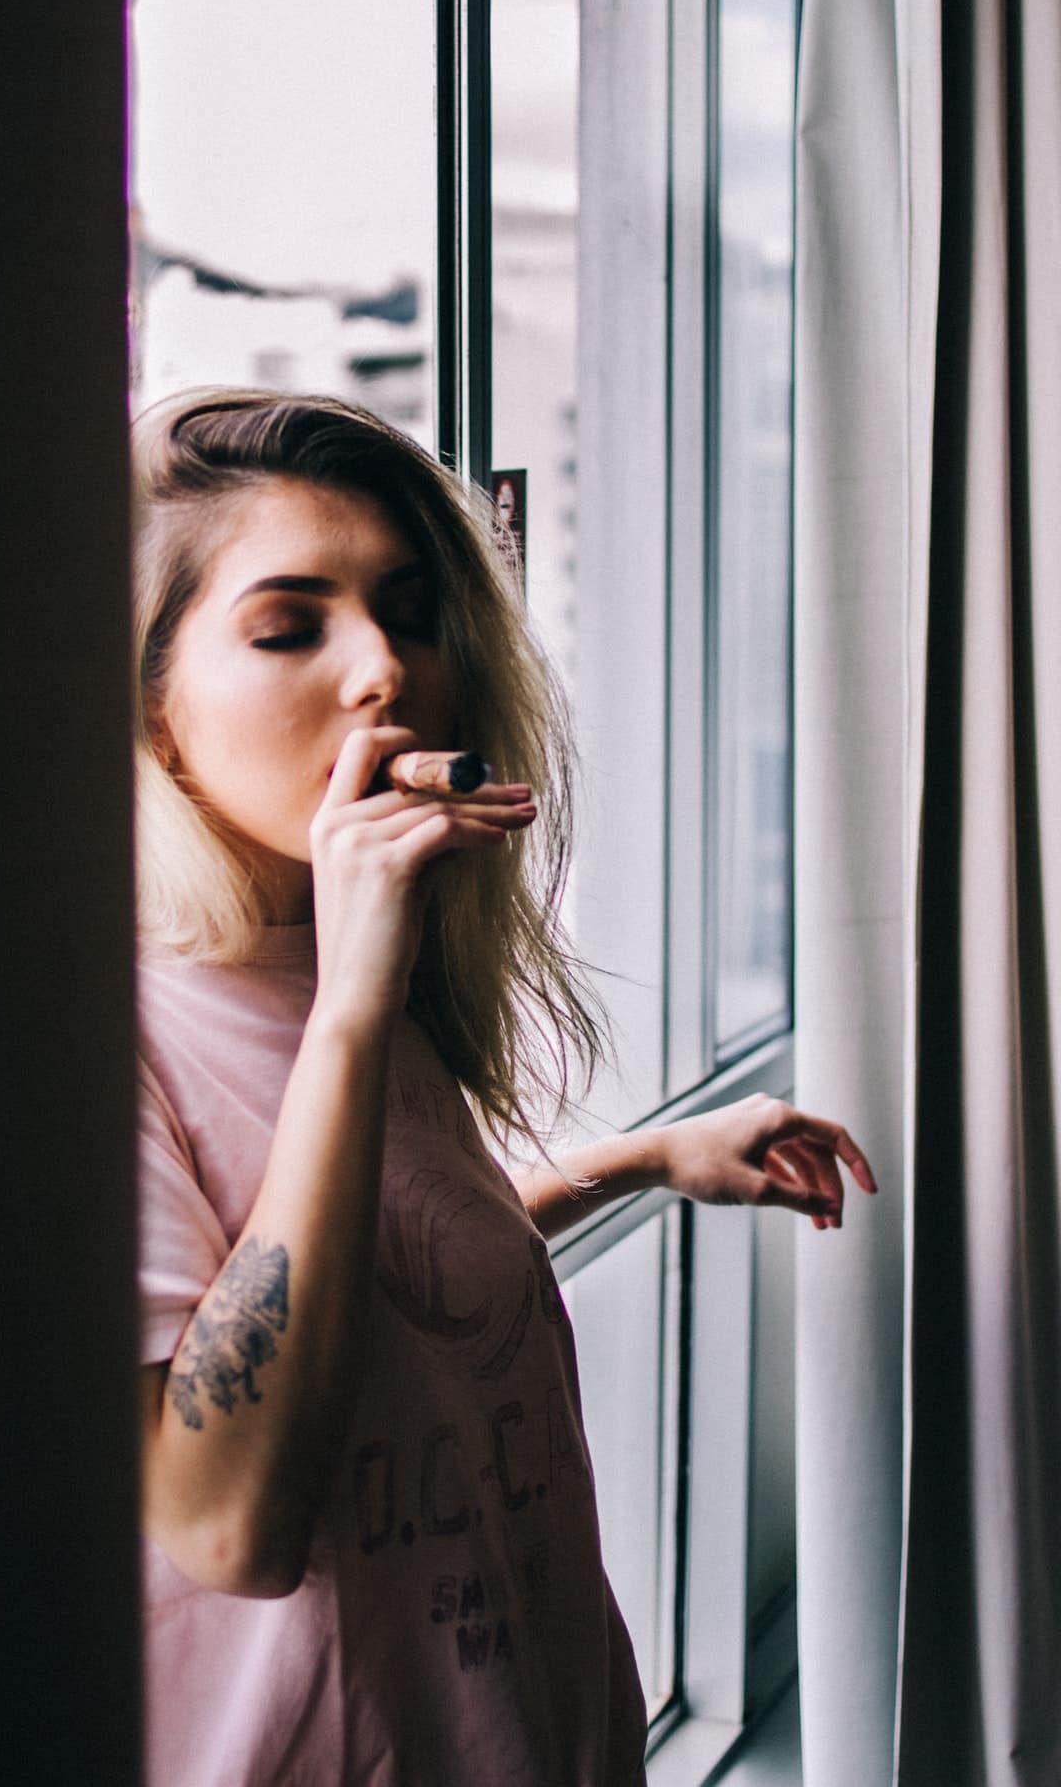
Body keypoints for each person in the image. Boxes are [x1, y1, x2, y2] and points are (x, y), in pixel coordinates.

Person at [132, 389, 876, 1787]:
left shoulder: (348, 966)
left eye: (412, 614)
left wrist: (650, 1157)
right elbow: (229, 1524)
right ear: (154, 717)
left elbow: (381, 1279)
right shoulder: (121, 1043)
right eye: (289, 628)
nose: (383, 671)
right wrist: (356, 1004)